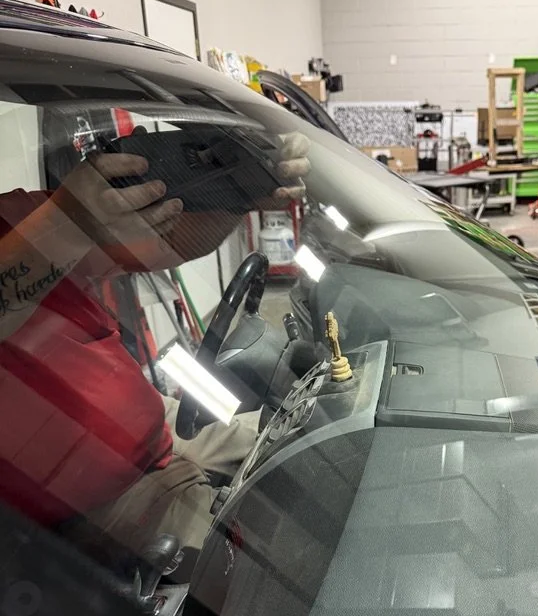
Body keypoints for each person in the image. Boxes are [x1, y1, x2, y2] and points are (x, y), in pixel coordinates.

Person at [0, 130, 311, 571]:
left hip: (154, 427)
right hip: (99, 503)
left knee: (305, 443)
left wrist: (239, 189)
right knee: (280, 563)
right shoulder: (45, 226)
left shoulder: (15, 217)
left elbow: (164, 242)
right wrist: (67, 223)